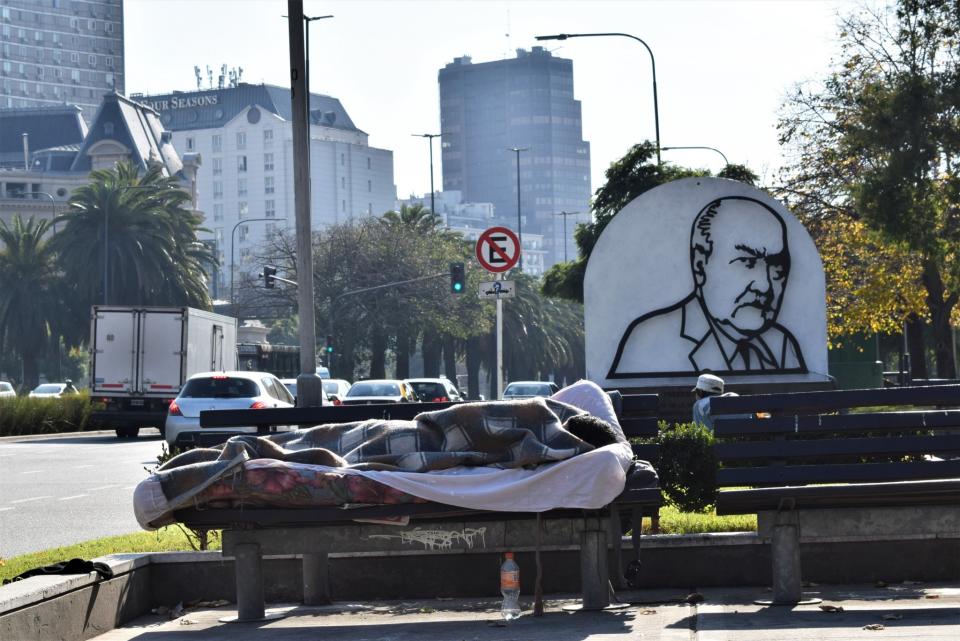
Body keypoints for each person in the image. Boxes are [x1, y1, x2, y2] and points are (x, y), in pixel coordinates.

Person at [608, 196, 807, 378]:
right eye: (747, 262)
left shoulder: (782, 345)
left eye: (777, 269)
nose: (765, 287)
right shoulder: (649, 341)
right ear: (700, 265)